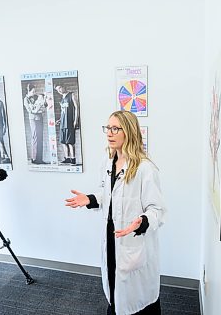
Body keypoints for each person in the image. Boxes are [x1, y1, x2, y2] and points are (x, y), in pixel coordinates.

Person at [65, 111, 166, 315]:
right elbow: (107, 195)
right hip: (112, 238)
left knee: (139, 300)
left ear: (128, 132)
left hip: (132, 239)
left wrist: (142, 221)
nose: (109, 133)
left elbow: (157, 210)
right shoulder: (108, 162)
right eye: (107, 128)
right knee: (114, 287)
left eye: (115, 129)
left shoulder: (145, 169)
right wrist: (91, 199)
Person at [23, 83, 47, 164]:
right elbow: (30, 110)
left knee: (40, 137)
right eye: (33, 91)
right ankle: (34, 158)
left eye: (35, 91)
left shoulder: (37, 96)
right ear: (29, 90)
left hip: (40, 118)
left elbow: (44, 105)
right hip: (33, 119)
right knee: (35, 137)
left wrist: (45, 99)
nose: (34, 92)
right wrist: (37, 109)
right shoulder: (26, 99)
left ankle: (40, 159)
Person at [56, 85, 78, 165]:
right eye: (57, 90)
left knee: (70, 142)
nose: (59, 90)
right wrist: (60, 120)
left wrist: (75, 120)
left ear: (63, 87)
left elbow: (76, 108)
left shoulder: (71, 95)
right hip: (62, 123)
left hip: (69, 122)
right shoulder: (62, 99)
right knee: (63, 142)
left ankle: (73, 159)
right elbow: (63, 112)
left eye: (60, 88)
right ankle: (67, 158)